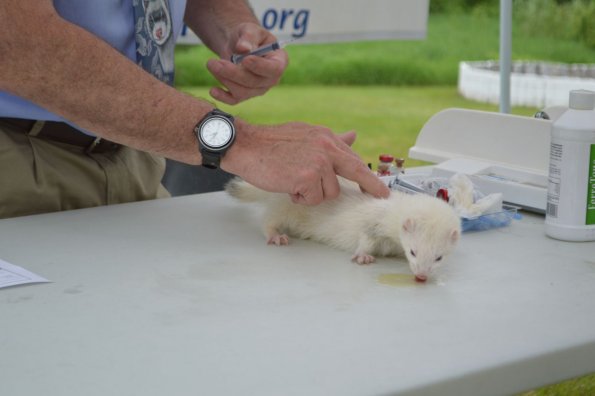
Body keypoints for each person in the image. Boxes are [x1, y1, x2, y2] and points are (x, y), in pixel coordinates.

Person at [0, 0, 389, 219]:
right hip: (17, 167)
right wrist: (244, 144)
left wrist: (235, 25)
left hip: (136, 153)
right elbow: (17, 42)